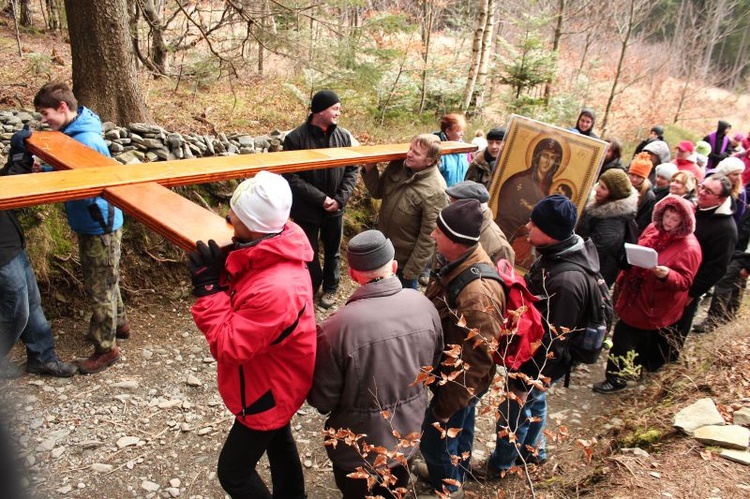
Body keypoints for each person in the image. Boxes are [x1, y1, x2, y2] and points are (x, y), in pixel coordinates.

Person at [189, 171, 315, 499]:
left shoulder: (277, 288)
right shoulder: (274, 244)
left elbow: (229, 347)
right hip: (277, 378)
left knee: (233, 472)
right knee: (278, 439)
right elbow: (248, 292)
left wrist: (208, 291)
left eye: (236, 216)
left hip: (266, 388)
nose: (228, 218)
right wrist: (227, 266)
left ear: (255, 225)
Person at [309, 230, 443, 499]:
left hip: (358, 448)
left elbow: (322, 400)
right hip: (409, 435)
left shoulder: (335, 329)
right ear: (394, 266)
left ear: (352, 275)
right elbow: (435, 363)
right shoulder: (424, 305)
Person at [487, 195, 597, 474]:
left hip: (541, 359)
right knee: (536, 401)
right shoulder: (557, 254)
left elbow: (555, 339)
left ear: (550, 232)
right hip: (540, 354)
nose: (527, 226)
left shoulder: (566, 281)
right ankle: (534, 451)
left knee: (514, 409)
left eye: (534, 224)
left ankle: (502, 465)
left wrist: (526, 377)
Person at [33, 82, 129, 374]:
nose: (43, 119)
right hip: (92, 219)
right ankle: (120, 323)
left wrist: (50, 176)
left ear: (63, 108)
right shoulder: (70, 132)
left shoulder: (86, 140)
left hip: (99, 222)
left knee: (99, 286)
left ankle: (106, 348)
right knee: (106, 275)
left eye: (46, 113)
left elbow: (91, 189)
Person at [416, 199, 505, 498]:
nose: (432, 235)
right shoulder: (457, 262)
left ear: (455, 241)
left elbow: (477, 361)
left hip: (460, 384)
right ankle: (457, 471)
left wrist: (443, 407)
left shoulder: (477, 294)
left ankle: (448, 487)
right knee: (462, 426)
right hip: (457, 381)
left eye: (438, 232)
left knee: (434, 438)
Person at [592, 195, 702, 393]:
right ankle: (626, 372)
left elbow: (685, 281)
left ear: (684, 222)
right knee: (628, 338)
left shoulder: (689, 247)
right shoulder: (654, 228)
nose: (668, 222)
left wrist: (666, 274)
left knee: (625, 339)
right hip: (634, 294)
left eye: (674, 219)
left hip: (654, 303)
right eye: (667, 216)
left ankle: (616, 379)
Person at [0, 143, 77, 378]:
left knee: (32, 303)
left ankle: (43, 358)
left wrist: (16, 161)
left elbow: (5, 185)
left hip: (12, 243)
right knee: (16, 310)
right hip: (2, 254)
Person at [282, 90, 358, 309]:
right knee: (309, 252)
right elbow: (290, 175)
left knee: (333, 251)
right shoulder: (295, 138)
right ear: (321, 110)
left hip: (336, 208)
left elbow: (353, 169)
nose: (338, 112)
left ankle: (331, 288)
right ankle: (311, 286)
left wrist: (339, 200)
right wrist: (321, 199)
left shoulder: (343, 137)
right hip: (307, 210)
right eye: (335, 108)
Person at [362, 134, 448, 289]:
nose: (409, 154)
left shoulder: (436, 190)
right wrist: (370, 169)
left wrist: (412, 270)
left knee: (403, 306)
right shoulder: (398, 166)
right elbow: (377, 192)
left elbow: (429, 237)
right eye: (410, 149)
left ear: (430, 161)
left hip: (404, 263)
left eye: (416, 153)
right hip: (382, 252)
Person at [675, 175, 737, 349]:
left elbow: (717, 268)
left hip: (688, 286)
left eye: (708, 191)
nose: (701, 192)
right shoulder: (693, 209)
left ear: (722, 199)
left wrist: (692, 293)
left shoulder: (725, 229)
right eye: (701, 187)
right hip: (672, 276)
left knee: (673, 328)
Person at [496, 136, 564, 268]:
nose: (548, 161)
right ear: (537, 157)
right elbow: (505, 217)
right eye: (545, 156)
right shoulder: (518, 182)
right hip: (510, 241)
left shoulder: (553, 189)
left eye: (552, 158)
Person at [576, 169, 638, 286]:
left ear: (614, 194)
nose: (597, 189)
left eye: (603, 188)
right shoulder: (601, 207)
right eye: (599, 184)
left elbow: (592, 251)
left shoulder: (612, 224)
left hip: (593, 276)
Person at [445, 181, 515, 265]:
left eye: (454, 205)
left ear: (471, 208)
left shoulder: (499, 247)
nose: (450, 209)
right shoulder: (456, 224)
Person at [435, 113, 469, 187]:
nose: (462, 134)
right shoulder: (435, 148)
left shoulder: (464, 148)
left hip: (460, 194)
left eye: (463, 131)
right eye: (459, 131)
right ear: (448, 131)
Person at [711, 157, 747, 226]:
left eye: (740, 174)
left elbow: (738, 215)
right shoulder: (711, 183)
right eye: (735, 174)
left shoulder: (740, 192)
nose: (739, 178)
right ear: (725, 175)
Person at [628, 152, 656, 234]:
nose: (634, 179)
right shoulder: (622, 185)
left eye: (639, 177)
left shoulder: (649, 197)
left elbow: (642, 223)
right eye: (632, 175)